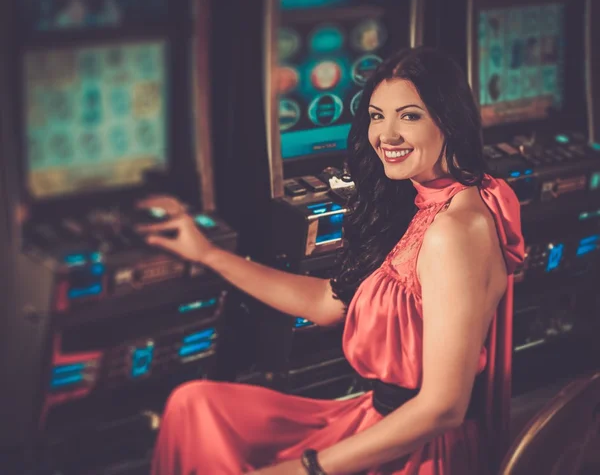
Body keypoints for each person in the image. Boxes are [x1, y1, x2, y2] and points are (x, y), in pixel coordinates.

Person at [137, 47, 525, 475]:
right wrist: (210, 254)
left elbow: (443, 410)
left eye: (410, 116)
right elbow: (327, 302)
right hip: (383, 420)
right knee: (197, 404)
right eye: (378, 116)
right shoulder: (433, 200)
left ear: (449, 121)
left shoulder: (453, 232)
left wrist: (306, 468)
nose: (387, 136)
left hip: (421, 451)